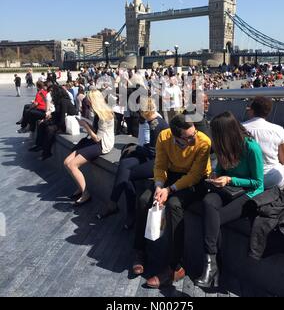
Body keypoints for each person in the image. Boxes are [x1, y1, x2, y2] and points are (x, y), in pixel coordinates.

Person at [132, 114, 211, 289]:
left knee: (175, 205)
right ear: (176, 137)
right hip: (171, 175)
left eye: (194, 133)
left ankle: (175, 266)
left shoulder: (203, 141)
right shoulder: (164, 136)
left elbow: (195, 175)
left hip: (195, 180)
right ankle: (140, 250)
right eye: (188, 137)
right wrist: (160, 187)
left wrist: (170, 190)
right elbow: (160, 165)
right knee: (145, 199)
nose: (193, 138)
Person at [194, 112, 264, 289]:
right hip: (227, 189)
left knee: (215, 219)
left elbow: (258, 183)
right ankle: (211, 262)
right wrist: (216, 175)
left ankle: (213, 267)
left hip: (248, 193)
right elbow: (221, 169)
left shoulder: (251, 147)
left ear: (227, 133)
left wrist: (230, 180)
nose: (213, 138)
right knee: (208, 203)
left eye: (216, 134)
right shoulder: (223, 146)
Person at [98, 97, 169, 229]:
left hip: (159, 161)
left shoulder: (155, 124)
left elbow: (153, 152)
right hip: (152, 156)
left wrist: (136, 148)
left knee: (127, 174)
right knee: (125, 165)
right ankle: (115, 204)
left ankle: (122, 209)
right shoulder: (155, 120)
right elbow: (153, 146)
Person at [64, 89, 115, 205]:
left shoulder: (105, 115)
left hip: (102, 145)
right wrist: (86, 122)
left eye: (89, 101)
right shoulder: (99, 112)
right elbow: (96, 131)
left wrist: (85, 125)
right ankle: (80, 186)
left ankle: (85, 193)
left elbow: (98, 138)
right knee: (66, 162)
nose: (88, 104)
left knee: (72, 165)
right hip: (94, 141)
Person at [243, 96, 284, 189]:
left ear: (252, 110)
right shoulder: (278, 129)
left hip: (246, 179)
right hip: (272, 178)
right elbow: (283, 160)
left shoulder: (239, 128)